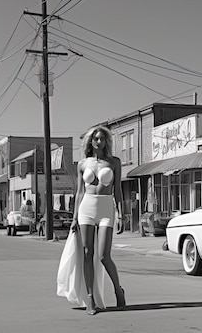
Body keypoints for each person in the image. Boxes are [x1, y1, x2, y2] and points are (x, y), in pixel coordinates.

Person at [70, 125, 125, 315]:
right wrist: (74, 217)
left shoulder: (114, 162)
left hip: (106, 209)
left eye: (102, 138)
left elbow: (117, 190)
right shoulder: (82, 164)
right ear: (90, 141)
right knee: (87, 253)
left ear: (106, 141)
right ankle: (90, 298)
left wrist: (121, 214)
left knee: (103, 256)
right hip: (86, 208)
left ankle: (118, 289)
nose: (99, 141)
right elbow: (79, 192)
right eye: (96, 138)